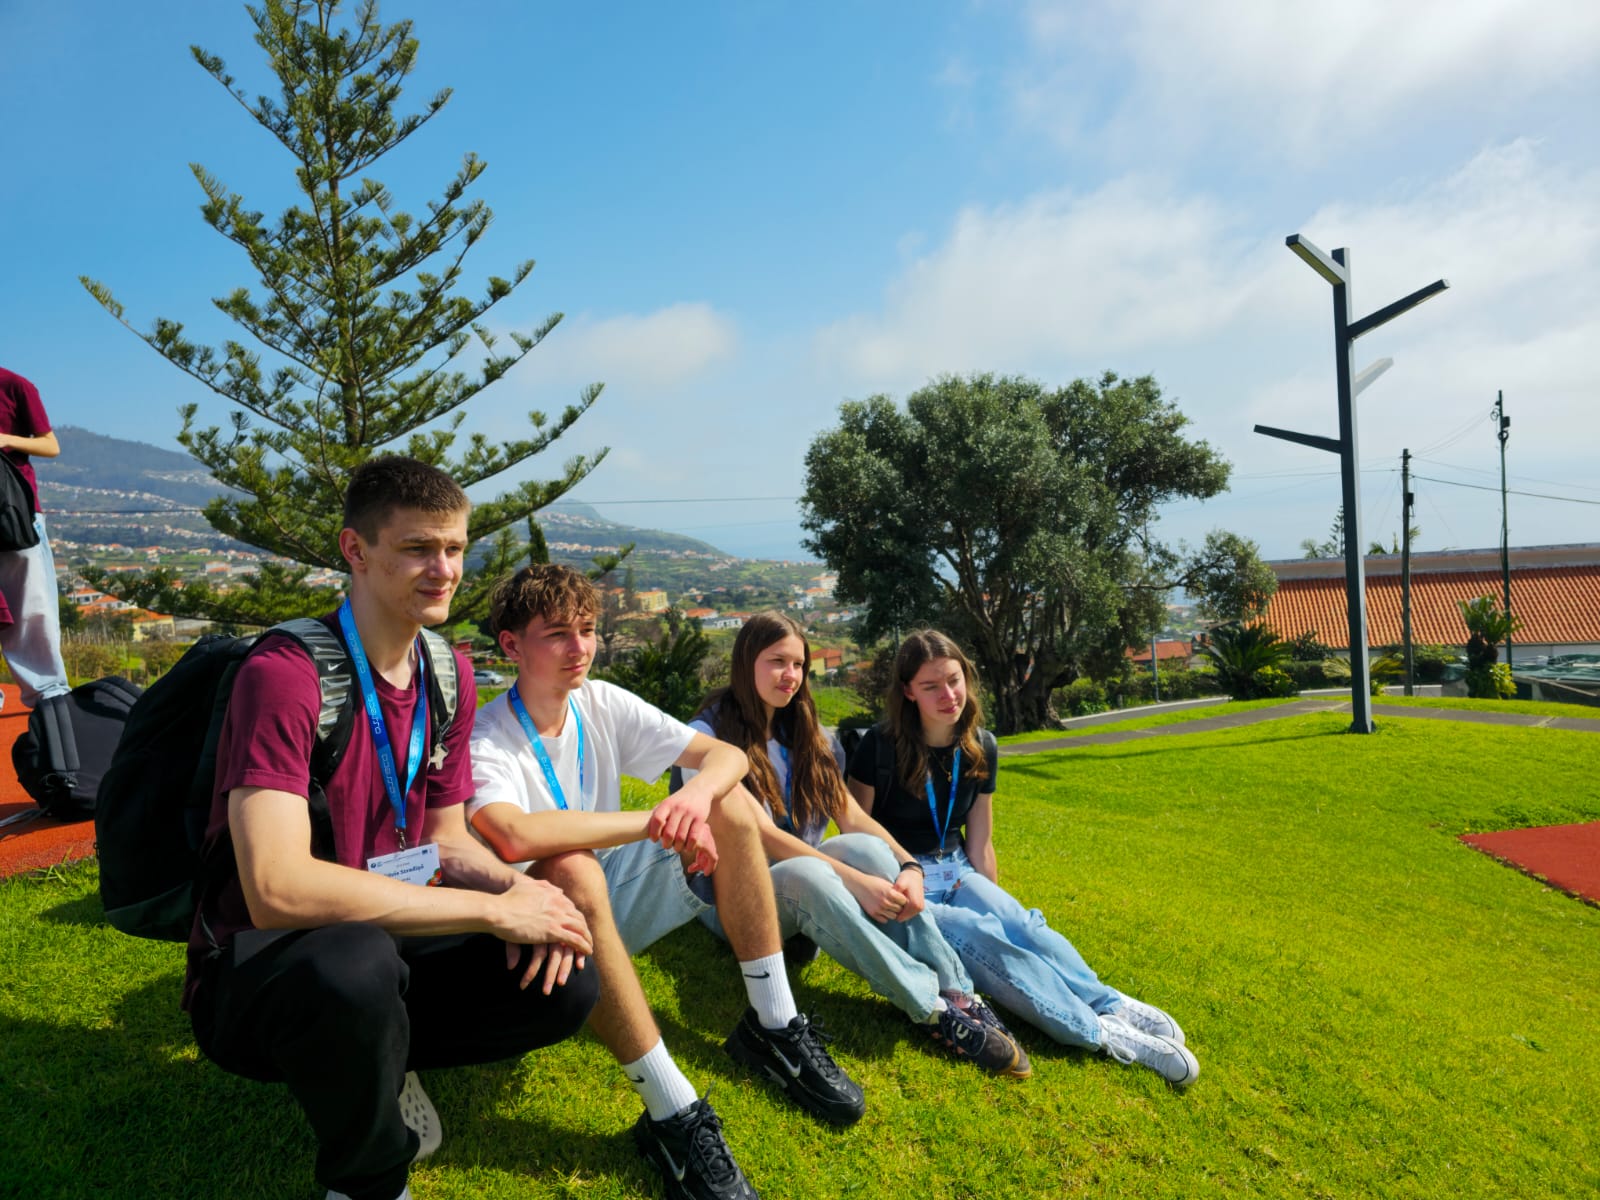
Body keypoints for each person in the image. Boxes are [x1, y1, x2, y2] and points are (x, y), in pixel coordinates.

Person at [184, 457, 600, 1200]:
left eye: (455, 548)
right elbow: (277, 890)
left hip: (385, 930)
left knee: (566, 983)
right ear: (356, 550)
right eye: (417, 549)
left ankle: (379, 1053)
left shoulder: (448, 672)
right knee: (356, 964)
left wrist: (521, 893)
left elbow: (446, 837)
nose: (444, 571)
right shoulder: (284, 676)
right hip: (267, 964)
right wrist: (487, 910)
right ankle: (368, 1179)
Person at [467, 567, 866, 1200]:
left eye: (588, 630)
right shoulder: (488, 734)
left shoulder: (599, 701)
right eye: (558, 634)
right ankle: (672, 1114)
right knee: (571, 867)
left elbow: (725, 756)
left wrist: (697, 797)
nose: (579, 648)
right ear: (511, 645)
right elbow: (513, 835)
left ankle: (774, 1026)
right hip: (532, 932)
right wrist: (657, 822)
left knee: (728, 802)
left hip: (606, 899)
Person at [682, 611, 1029, 1077]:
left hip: (793, 890)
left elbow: (852, 816)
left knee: (865, 850)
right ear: (746, 662)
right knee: (811, 872)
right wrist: (856, 883)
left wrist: (908, 866)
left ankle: (960, 993)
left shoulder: (804, 730)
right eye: (777, 661)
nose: (790, 675)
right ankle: (931, 1009)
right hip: (731, 900)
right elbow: (763, 836)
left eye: (798, 664)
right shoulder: (707, 737)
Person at [847, 630, 1199, 1087]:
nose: (948, 695)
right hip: (905, 882)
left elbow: (980, 843)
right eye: (931, 686)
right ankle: (1100, 1033)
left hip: (957, 871)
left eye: (953, 680)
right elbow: (855, 829)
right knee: (980, 936)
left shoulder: (981, 745)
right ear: (908, 691)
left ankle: (1107, 1002)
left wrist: (996, 901)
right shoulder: (878, 747)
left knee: (1023, 925)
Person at [0, 366, 72, 713]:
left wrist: (6, 439)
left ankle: (49, 696)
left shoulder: (14, 385)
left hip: (14, 511)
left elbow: (50, 444)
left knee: (31, 605)